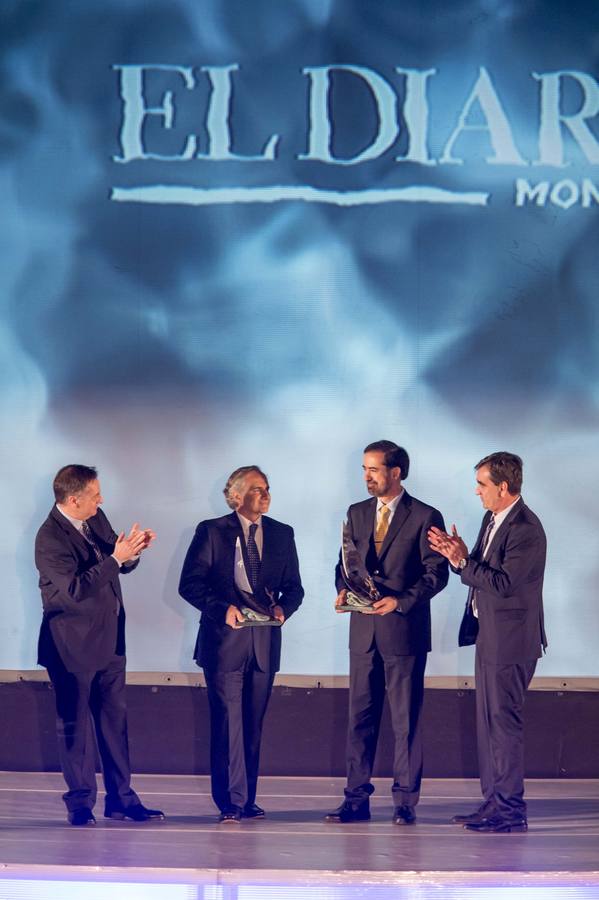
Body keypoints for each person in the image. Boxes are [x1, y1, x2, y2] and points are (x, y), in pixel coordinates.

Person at [326, 441, 448, 825]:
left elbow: (436, 574)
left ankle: (404, 803)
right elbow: (344, 564)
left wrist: (401, 601)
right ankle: (355, 800)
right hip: (363, 633)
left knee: (404, 721)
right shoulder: (356, 513)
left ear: (395, 472)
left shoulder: (426, 515)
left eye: (373, 469)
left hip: (404, 633)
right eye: (364, 469)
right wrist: (342, 589)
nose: (366, 476)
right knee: (359, 718)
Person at [35, 464, 164, 826]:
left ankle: (121, 799)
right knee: (75, 727)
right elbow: (76, 588)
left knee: (114, 724)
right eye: (95, 495)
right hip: (71, 646)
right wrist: (116, 558)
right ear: (73, 499)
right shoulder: (49, 539)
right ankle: (80, 804)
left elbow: (115, 562)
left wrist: (132, 552)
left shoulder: (96, 518)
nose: (101, 500)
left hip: (110, 641)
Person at [428, 451, 547, 833]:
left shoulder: (526, 528)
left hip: (511, 641)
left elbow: (501, 583)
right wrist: (455, 553)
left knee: (503, 724)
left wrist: (463, 563)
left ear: (504, 487)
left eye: (482, 484)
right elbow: (478, 566)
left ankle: (510, 811)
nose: (476, 491)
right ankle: (493, 802)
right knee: (487, 724)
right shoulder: (491, 518)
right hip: (489, 636)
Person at [179, 465, 303, 823]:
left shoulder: (282, 533)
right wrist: (223, 610)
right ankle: (229, 801)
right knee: (227, 724)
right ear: (235, 496)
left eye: (266, 488)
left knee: (252, 725)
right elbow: (190, 584)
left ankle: (246, 798)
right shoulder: (211, 531)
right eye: (254, 490)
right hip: (224, 644)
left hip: (264, 645)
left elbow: (295, 587)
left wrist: (284, 608)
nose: (263, 495)